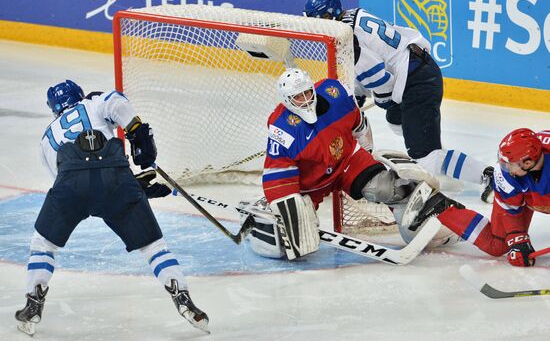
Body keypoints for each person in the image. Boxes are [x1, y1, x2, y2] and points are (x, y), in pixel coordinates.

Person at [14, 80, 209, 335]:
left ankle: (33, 301)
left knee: (43, 244)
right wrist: (136, 132)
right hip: (116, 177)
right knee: (153, 247)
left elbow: (68, 178)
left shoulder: (46, 138)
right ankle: (181, 295)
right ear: (79, 95)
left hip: (72, 184)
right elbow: (117, 102)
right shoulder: (93, 102)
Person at [303, 0, 494, 203]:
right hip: (414, 69)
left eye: (324, 18)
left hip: (417, 79)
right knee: (396, 122)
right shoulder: (351, 17)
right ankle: (438, 157)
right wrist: (356, 96)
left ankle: (490, 176)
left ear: (333, 14)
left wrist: (376, 101)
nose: (320, 24)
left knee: (424, 156)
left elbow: (378, 79)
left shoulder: (347, 39)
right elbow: (370, 67)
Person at [245, 68, 454, 260]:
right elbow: (278, 175)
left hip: (347, 161)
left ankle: (434, 222)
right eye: (297, 97)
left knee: (387, 188)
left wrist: (368, 156)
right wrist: (289, 209)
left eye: (307, 93)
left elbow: (359, 126)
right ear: (287, 101)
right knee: (286, 245)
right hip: (310, 184)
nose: (305, 100)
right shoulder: (283, 129)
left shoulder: (335, 94)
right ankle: (265, 211)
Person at [411, 128, 550, 267]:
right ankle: (440, 206)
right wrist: (518, 241)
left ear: (527, 163)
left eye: (510, 165)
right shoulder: (507, 175)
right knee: (497, 245)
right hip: (526, 194)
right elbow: (509, 210)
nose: (505, 168)